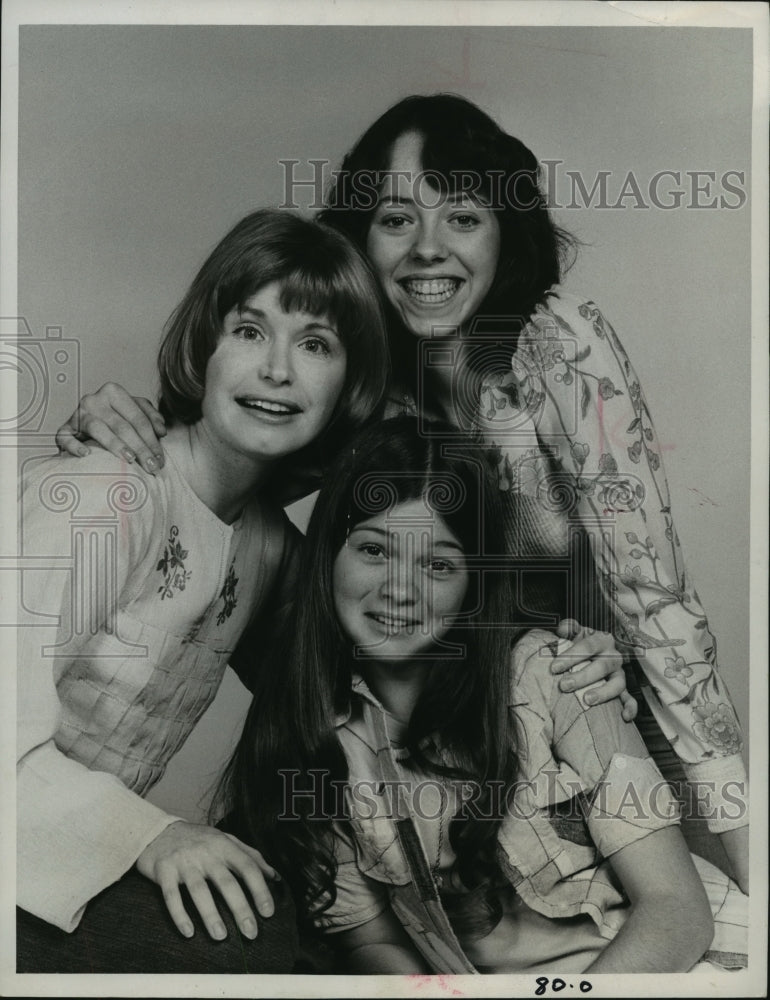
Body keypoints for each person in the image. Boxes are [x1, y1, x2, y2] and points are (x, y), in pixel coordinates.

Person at [53, 94, 748, 884]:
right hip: (445, 735)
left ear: (502, 232)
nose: (427, 249)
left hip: (606, 701)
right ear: (360, 237)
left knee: (701, 932)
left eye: (462, 217)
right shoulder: (355, 376)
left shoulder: (560, 341)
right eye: (394, 220)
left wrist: (735, 823)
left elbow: (656, 600)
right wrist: (121, 424)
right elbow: (227, 474)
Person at [218, 416, 747, 975]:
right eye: (374, 550)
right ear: (329, 556)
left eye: (439, 564)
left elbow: (677, 912)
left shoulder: (557, 673)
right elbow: (376, 944)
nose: (399, 589)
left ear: (474, 580)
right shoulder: (312, 738)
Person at [16, 208, 390, 972]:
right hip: (21, 851)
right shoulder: (108, 495)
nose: (277, 370)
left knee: (289, 927)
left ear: (347, 383)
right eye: (250, 332)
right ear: (204, 346)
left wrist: (559, 660)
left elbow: (357, 685)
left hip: (69, 856)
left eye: (314, 344)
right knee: (238, 951)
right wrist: (152, 835)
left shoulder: (270, 546)